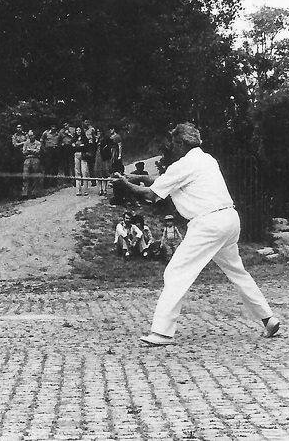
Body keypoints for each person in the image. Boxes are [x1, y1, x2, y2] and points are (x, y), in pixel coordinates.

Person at [113, 122, 280, 346]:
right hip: (229, 219)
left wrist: (125, 185)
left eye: (174, 143)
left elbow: (153, 195)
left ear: (181, 143)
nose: (171, 147)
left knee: (176, 271)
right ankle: (268, 318)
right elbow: (164, 182)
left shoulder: (182, 165)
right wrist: (136, 179)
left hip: (208, 224)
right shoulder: (206, 159)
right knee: (237, 272)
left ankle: (162, 332)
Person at [21, 129, 42, 199]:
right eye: (29, 136)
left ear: (34, 136)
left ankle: (34, 193)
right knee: (25, 176)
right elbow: (24, 152)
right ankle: (25, 193)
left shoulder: (38, 143)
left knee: (35, 176)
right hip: (27, 159)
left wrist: (30, 150)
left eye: (32, 135)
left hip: (35, 159)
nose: (31, 137)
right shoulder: (26, 143)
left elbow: (38, 151)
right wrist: (32, 151)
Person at [72, 125, 91, 196]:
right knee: (77, 172)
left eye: (79, 130)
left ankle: (85, 190)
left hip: (83, 156)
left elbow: (86, 146)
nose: (78, 131)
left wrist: (79, 146)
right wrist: (79, 146)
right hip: (76, 155)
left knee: (84, 172)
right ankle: (78, 190)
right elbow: (73, 147)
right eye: (77, 130)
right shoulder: (74, 138)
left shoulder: (84, 138)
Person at [40, 124, 60, 188]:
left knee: (55, 168)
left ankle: (54, 184)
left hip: (56, 151)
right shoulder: (46, 133)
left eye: (54, 126)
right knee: (48, 167)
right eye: (52, 126)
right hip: (49, 150)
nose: (53, 128)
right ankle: (46, 184)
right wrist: (44, 150)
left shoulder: (58, 134)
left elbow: (60, 141)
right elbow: (42, 141)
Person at [95, 128, 114, 196]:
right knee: (99, 174)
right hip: (98, 157)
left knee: (105, 174)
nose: (98, 133)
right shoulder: (96, 139)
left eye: (99, 131)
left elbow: (111, 144)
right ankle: (100, 189)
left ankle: (105, 189)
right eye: (97, 132)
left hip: (104, 157)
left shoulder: (105, 138)